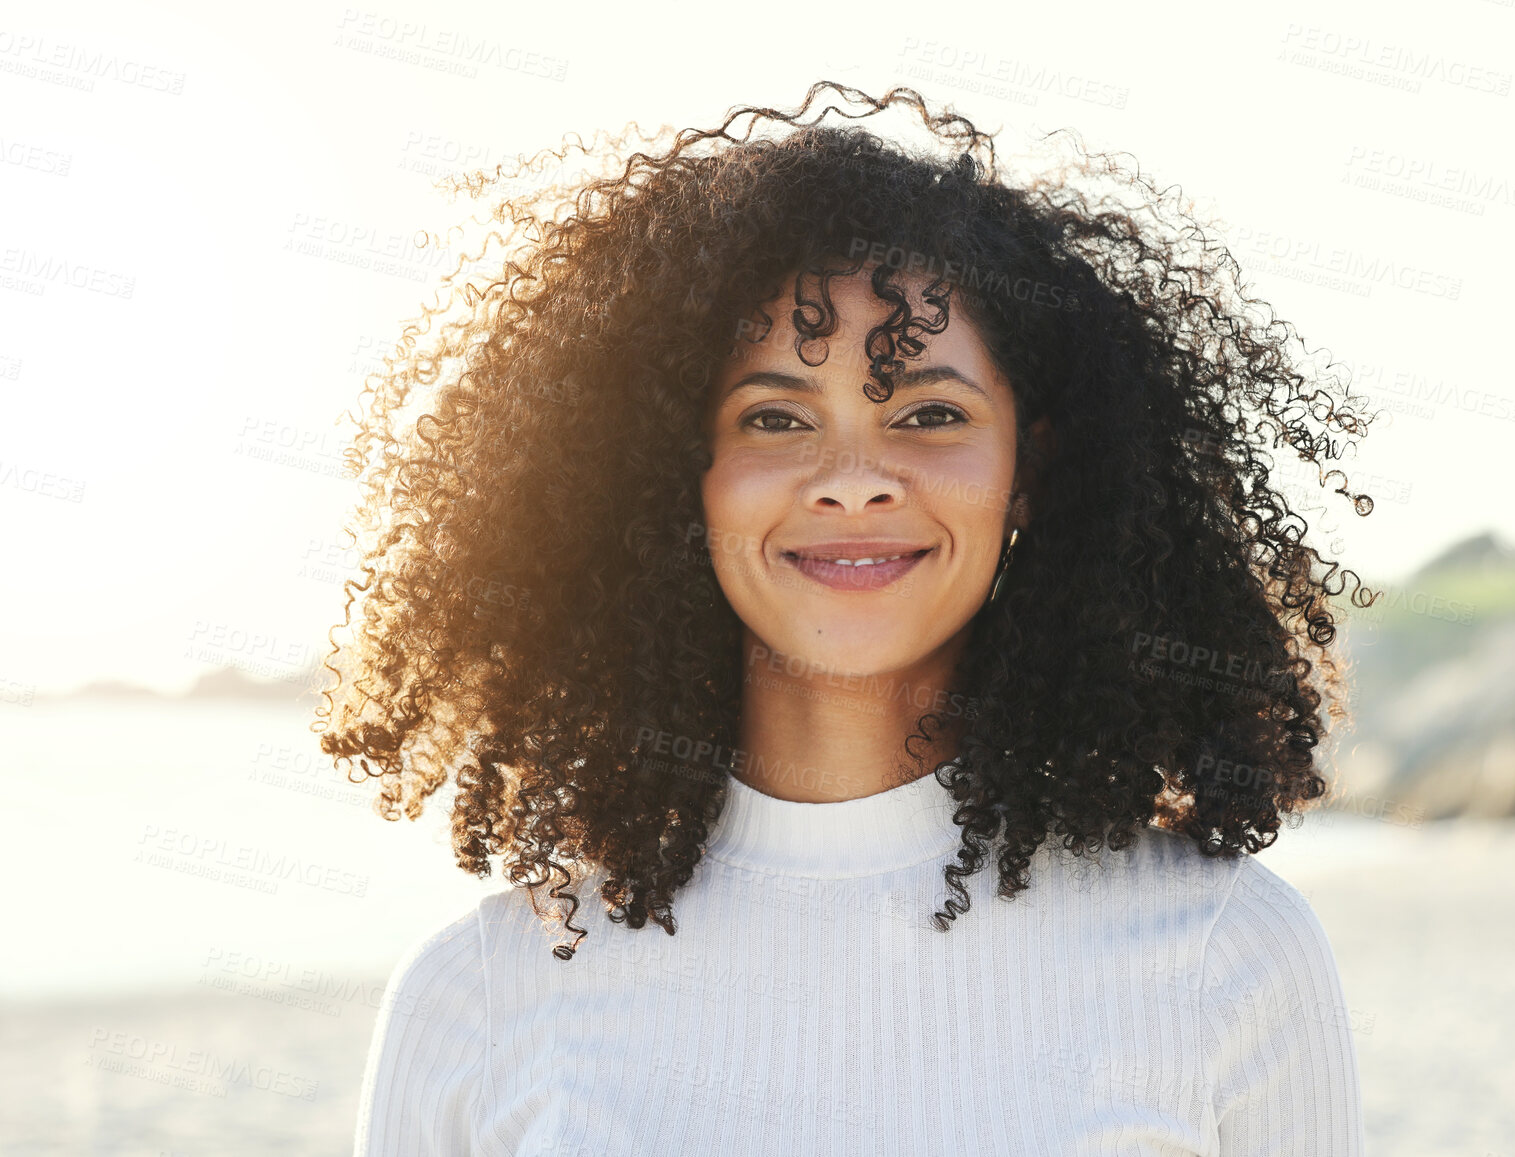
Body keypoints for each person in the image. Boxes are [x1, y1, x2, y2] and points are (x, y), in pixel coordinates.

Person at [319, 81, 1377, 1156]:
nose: (854, 480)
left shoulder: (1224, 955)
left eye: (929, 413)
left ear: (1030, 468)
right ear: (670, 475)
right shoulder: (482, 998)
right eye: (774, 416)